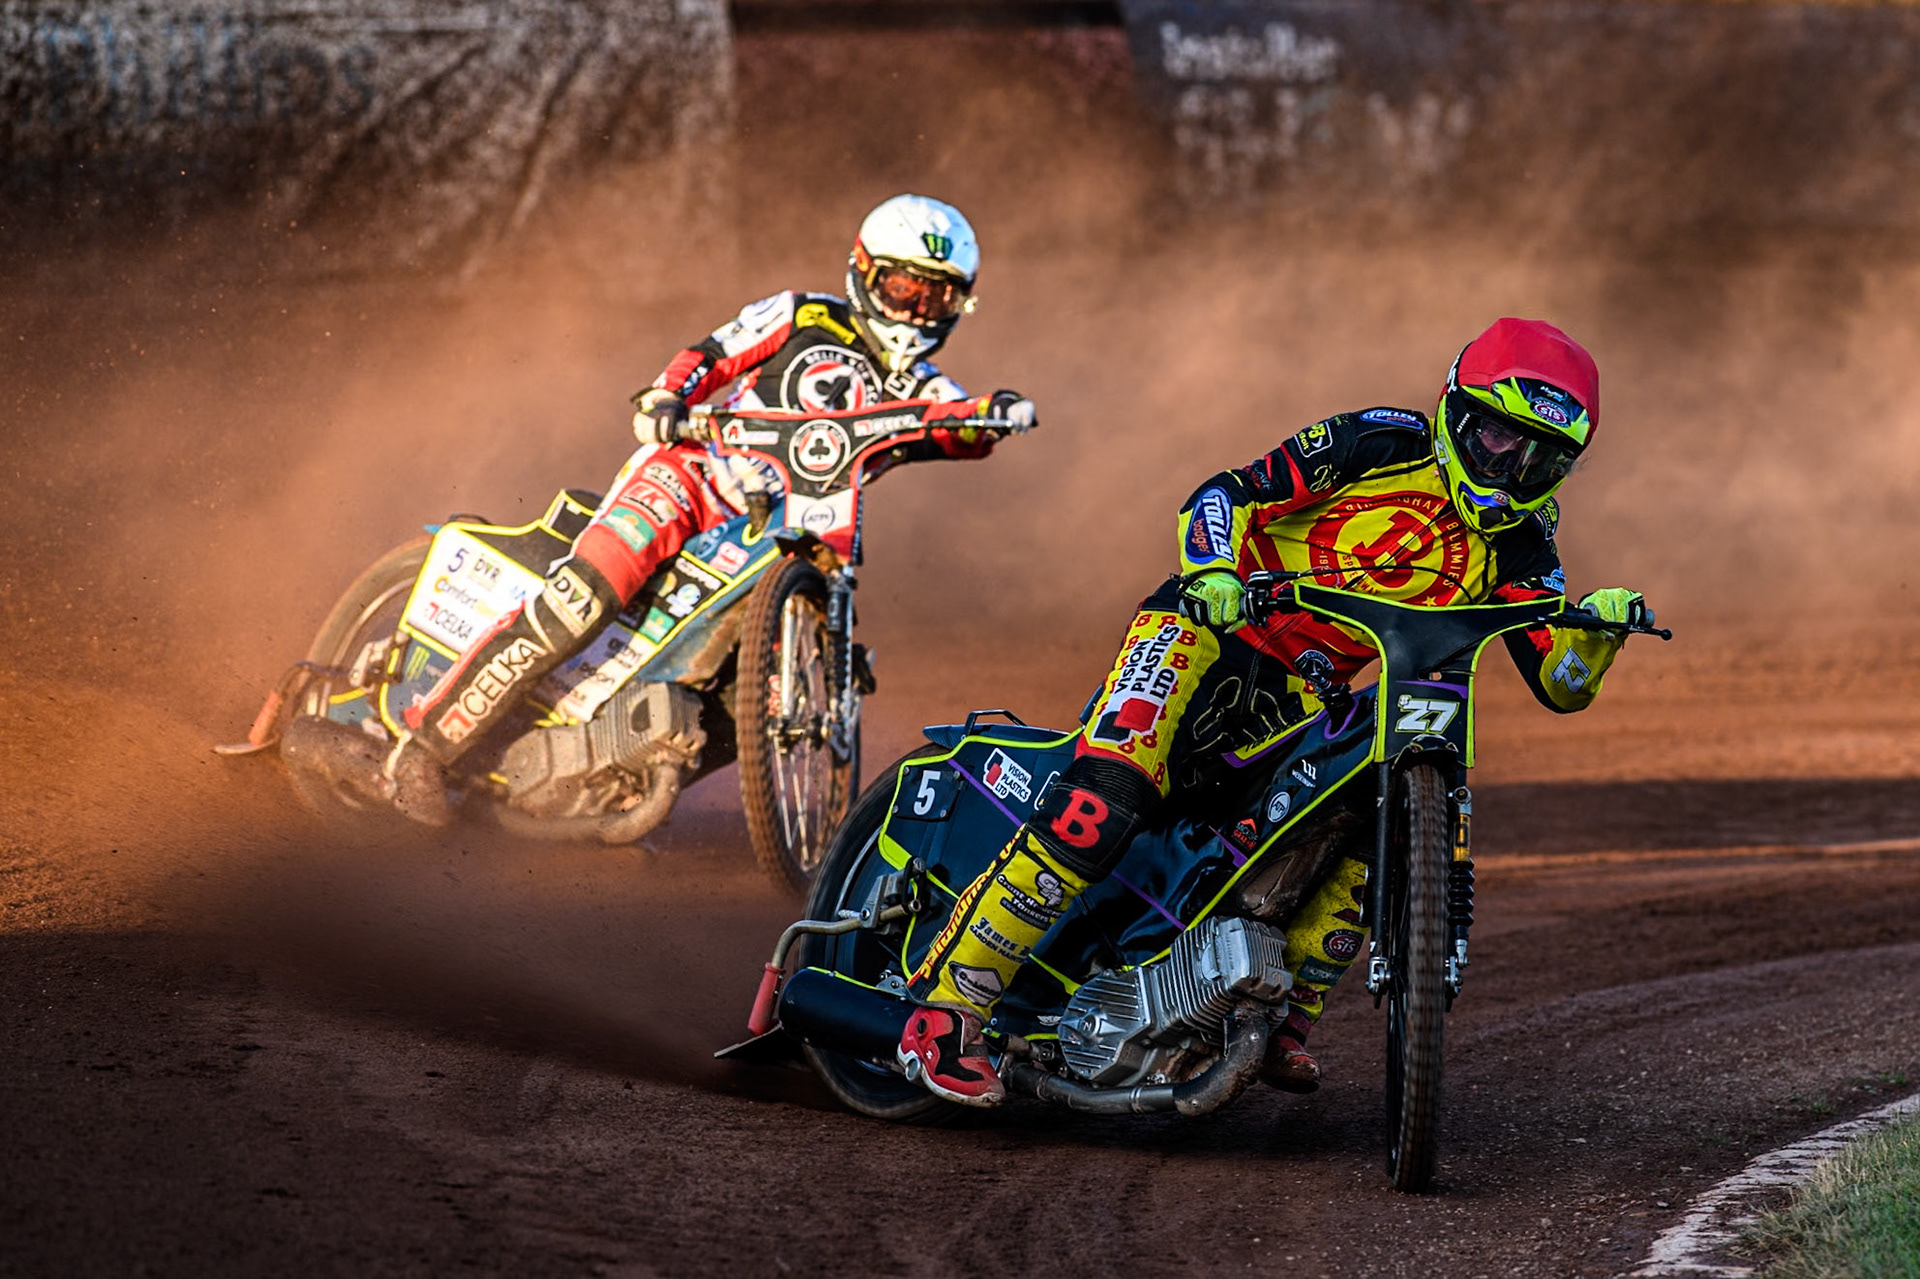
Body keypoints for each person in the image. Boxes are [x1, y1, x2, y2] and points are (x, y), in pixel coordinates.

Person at [895, 316, 1653, 1105]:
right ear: (1456, 412)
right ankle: (943, 1015)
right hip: (1200, 634)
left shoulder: (1527, 544)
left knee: (1369, 805)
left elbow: (1559, 680)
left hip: (1301, 698)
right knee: (1102, 802)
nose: (1511, 470)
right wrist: (1213, 569)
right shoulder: (1379, 441)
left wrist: (1596, 636)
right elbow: (1224, 493)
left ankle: (1283, 1014)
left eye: (1540, 460)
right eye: (1498, 439)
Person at [385, 194, 1036, 824]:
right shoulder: (802, 314)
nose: (917, 309)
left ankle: (613, 782)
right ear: (865, 273)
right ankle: (425, 747)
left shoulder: (925, 389)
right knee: (587, 592)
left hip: (777, 531)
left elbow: (962, 425)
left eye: (936, 297)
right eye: (903, 288)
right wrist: (666, 398)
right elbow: (712, 355)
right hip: (692, 475)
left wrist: (996, 414)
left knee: (748, 695)